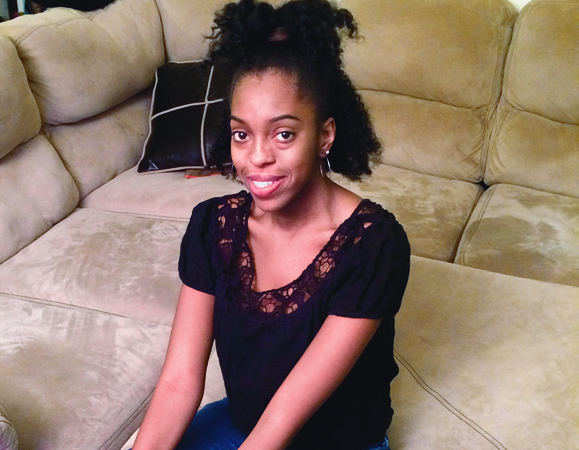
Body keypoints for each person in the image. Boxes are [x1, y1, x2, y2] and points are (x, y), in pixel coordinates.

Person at [131, 0, 410, 449]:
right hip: (242, 426)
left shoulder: (372, 244)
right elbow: (180, 382)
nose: (257, 157)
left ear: (325, 136)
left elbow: (279, 425)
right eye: (242, 133)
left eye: (283, 133)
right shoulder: (212, 226)